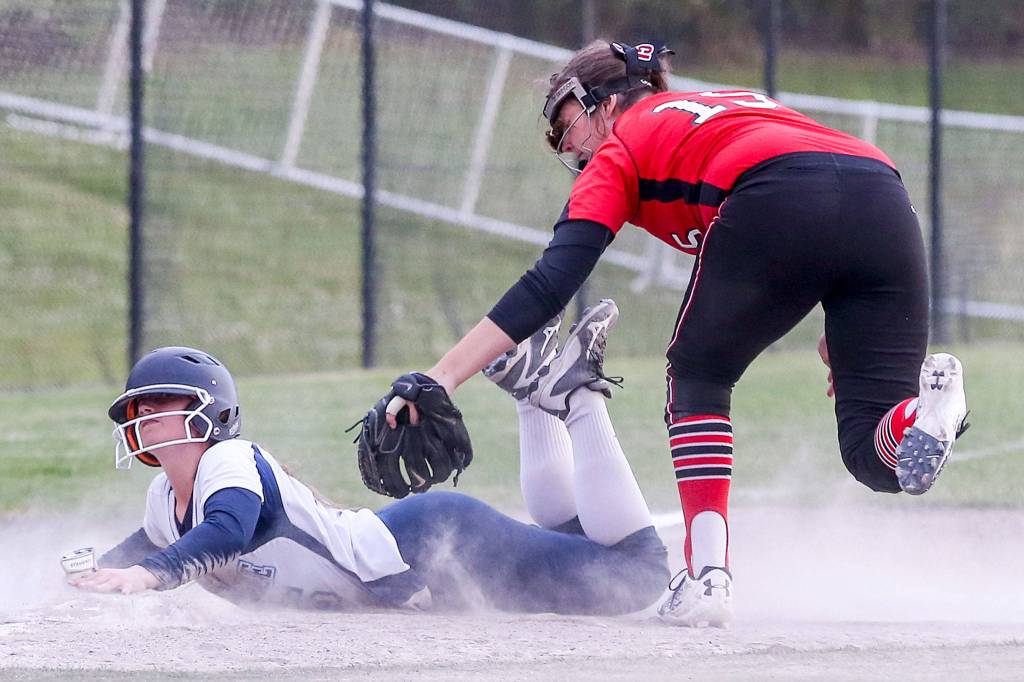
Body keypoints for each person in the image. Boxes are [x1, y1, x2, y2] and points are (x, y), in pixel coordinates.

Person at [375, 40, 970, 627]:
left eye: (568, 127)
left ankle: (707, 577)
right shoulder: (728, 102)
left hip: (778, 191)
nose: (568, 148)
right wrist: (841, 311)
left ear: (603, 104)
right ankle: (927, 411)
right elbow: (826, 188)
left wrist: (442, 374)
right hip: (882, 191)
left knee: (698, 374)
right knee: (876, 457)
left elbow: (552, 279)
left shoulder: (624, 141)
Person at [70, 323, 669, 615]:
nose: (143, 414)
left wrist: (149, 576)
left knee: (632, 578)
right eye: (137, 406)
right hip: (405, 573)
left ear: (211, 411)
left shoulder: (230, 461)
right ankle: (530, 393)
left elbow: (224, 531)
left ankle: (578, 403)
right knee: (567, 551)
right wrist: (95, 574)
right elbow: (141, 548)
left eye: (160, 403)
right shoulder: (163, 498)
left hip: (427, 540)